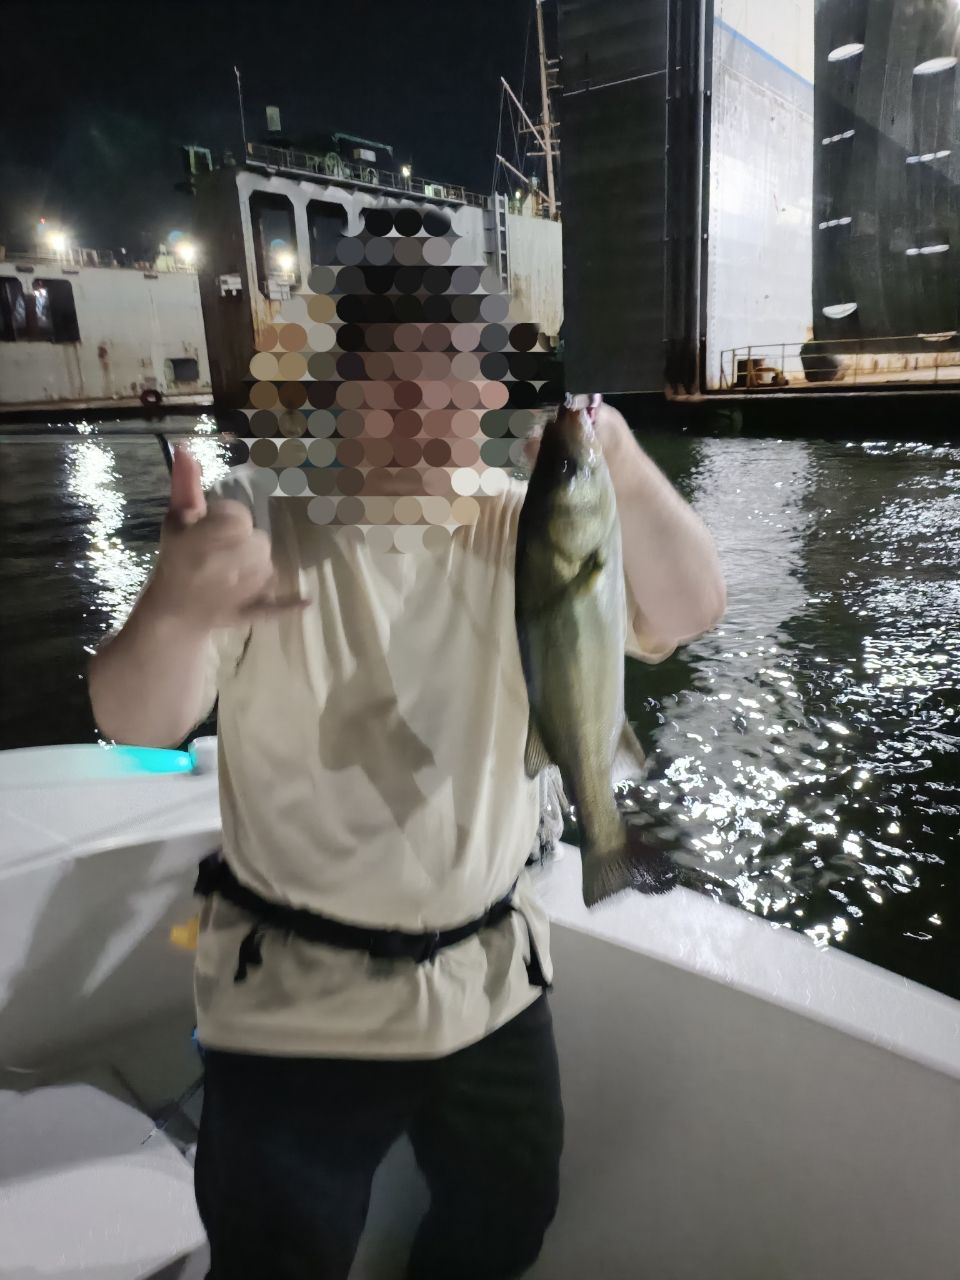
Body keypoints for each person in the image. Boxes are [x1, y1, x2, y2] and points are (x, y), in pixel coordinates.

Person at [88, 250, 724, 1279]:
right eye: (391, 375)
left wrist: (612, 449)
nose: (424, 404)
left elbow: (691, 606)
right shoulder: (255, 518)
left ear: (488, 389)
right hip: (294, 1009)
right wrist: (174, 609)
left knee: (508, 1219)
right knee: (276, 1260)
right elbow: (136, 722)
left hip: (493, 987)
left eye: (451, 371)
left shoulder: (526, 519)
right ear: (342, 387)